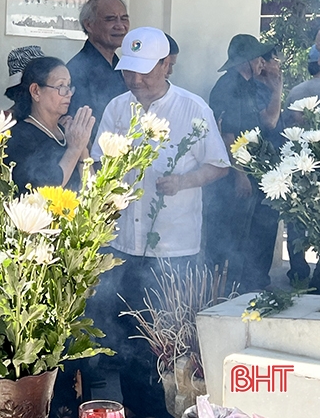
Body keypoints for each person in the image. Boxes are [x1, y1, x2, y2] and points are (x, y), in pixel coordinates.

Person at [90, 26, 229, 418]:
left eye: (145, 71)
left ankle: (172, 408)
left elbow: (218, 164)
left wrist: (185, 181)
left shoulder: (192, 108)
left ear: (168, 65)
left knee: (170, 339)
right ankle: (136, 407)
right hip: (124, 244)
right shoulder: (118, 108)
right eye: (129, 71)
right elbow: (101, 162)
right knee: (131, 336)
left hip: (174, 247)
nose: (135, 80)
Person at [204, 34, 281, 292]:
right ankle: (226, 292)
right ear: (247, 60)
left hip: (250, 169)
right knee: (231, 236)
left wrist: (275, 88)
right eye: (259, 56)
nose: (263, 62)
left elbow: (265, 121)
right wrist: (240, 175)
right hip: (235, 175)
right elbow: (227, 135)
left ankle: (244, 288)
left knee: (248, 234)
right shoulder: (228, 86)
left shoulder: (249, 85)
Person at [6, 57, 95, 190]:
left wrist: (82, 149)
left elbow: (93, 192)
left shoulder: (68, 133)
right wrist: (74, 149)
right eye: (60, 86)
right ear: (36, 91)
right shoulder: (19, 137)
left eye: (69, 86)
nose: (69, 93)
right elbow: (45, 190)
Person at [282, 39, 320, 289]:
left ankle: (297, 269)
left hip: (298, 163)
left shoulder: (297, 91)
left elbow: (286, 126)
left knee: (296, 217)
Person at [66, 0, 129, 137]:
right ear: (89, 25)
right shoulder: (77, 70)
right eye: (110, 19)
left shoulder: (117, 64)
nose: (120, 25)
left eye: (124, 18)